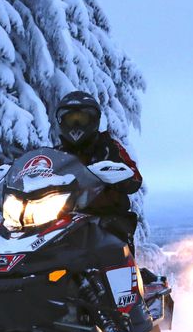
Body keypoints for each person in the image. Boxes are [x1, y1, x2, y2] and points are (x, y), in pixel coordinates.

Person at [54, 90, 142, 254]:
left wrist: (119, 175)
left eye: (82, 119)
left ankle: (123, 276)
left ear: (93, 120)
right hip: (64, 219)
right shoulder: (56, 155)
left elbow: (135, 178)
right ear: (61, 121)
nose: (76, 124)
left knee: (116, 250)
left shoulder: (109, 147)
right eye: (71, 119)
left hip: (106, 217)